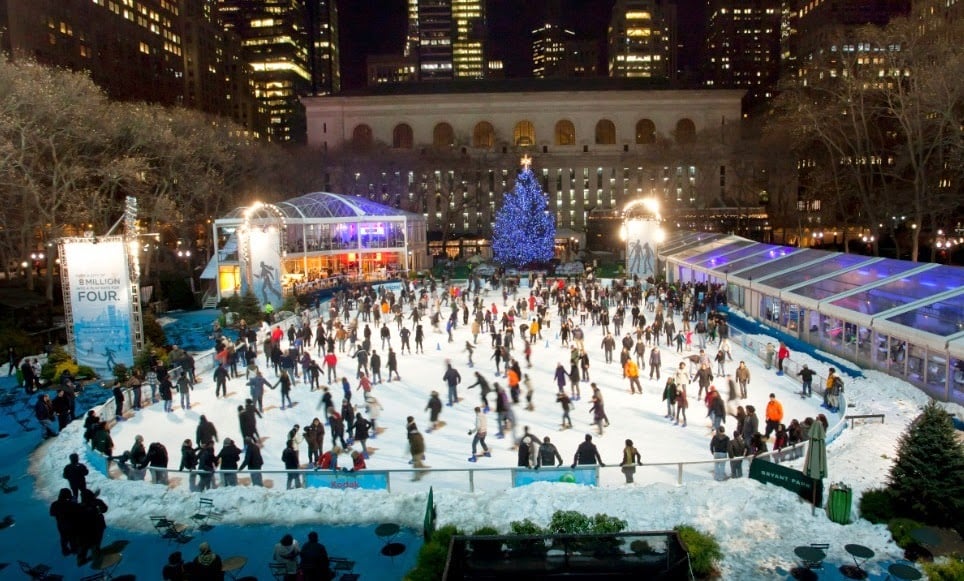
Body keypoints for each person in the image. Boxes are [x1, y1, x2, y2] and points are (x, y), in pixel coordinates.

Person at [49, 488, 77, 556]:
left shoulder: (55, 504)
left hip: (61, 524)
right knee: (72, 537)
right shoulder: (69, 503)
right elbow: (76, 510)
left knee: (64, 537)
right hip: (70, 524)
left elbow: (52, 513)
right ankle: (74, 550)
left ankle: (65, 550)